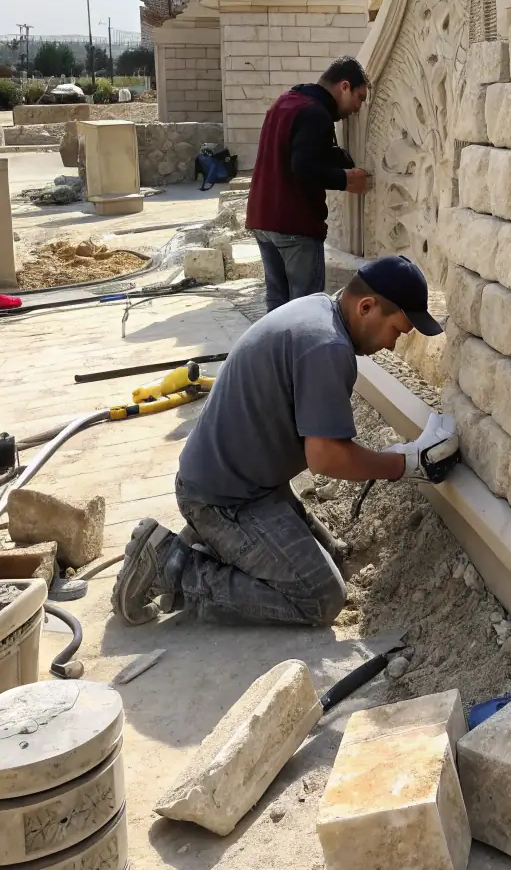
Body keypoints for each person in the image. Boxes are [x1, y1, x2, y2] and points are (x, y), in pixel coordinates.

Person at [110, 256, 456, 628]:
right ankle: (172, 567)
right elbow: (326, 458)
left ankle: (210, 545)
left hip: (243, 483)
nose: (392, 345)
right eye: (396, 331)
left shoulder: (319, 312)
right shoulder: (327, 346)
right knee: (320, 598)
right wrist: (404, 464)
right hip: (224, 500)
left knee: (332, 562)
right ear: (366, 307)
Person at [246, 57, 373, 311]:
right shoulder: (315, 113)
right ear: (344, 86)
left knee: (278, 307)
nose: (358, 107)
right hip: (294, 225)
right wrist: (346, 180)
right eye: (359, 97)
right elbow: (303, 167)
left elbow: (295, 154)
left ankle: (279, 351)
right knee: (305, 310)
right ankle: (301, 352)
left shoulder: (286, 102)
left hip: (263, 219)